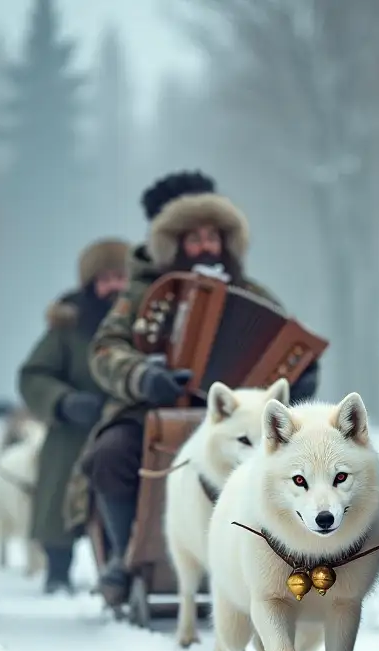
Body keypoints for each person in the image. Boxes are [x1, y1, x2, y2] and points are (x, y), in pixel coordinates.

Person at [66, 170, 320, 606]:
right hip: (151, 412)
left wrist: (302, 376)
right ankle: (125, 559)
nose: (206, 246)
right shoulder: (142, 292)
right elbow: (106, 349)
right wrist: (145, 377)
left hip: (240, 420)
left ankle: (282, 556)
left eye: (214, 237)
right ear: (175, 243)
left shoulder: (252, 293)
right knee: (110, 454)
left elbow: (289, 352)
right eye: (195, 238)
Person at [18, 237, 131, 593]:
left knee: (123, 497)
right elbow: (34, 374)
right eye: (104, 278)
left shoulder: (144, 323)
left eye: (120, 276)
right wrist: (64, 401)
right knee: (58, 495)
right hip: (73, 432)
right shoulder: (68, 326)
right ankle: (57, 570)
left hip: (125, 427)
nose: (113, 286)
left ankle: (121, 567)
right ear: (90, 284)